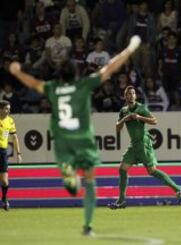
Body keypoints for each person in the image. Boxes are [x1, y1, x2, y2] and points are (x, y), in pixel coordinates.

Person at [9, 35, 141, 235]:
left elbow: (34, 83)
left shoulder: (52, 88)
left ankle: (68, 174)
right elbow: (111, 67)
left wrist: (17, 71)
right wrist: (129, 49)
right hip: (83, 141)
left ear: (59, 75)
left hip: (63, 142)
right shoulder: (84, 85)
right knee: (89, 182)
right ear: (76, 73)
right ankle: (87, 226)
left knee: (69, 175)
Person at [107, 85, 181, 209]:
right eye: (128, 94)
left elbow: (154, 121)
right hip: (134, 145)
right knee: (122, 169)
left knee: (152, 171)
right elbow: (117, 128)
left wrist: (139, 117)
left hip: (143, 144)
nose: (131, 95)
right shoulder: (123, 111)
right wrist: (125, 119)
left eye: (133, 93)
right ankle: (121, 201)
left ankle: (178, 189)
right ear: (125, 96)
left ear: (135, 96)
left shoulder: (141, 108)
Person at [0, 100, 22, 211]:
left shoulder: (10, 121)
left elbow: (14, 137)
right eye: (6, 108)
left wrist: (18, 153)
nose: (9, 110)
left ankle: (4, 199)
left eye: (9, 108)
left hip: (2, 152)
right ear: (1, 109)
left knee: (4, 181)